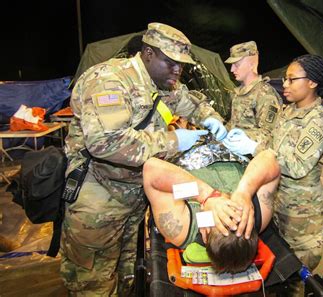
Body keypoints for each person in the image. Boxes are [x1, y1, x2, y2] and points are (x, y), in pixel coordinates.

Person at [60, 23, 227, 296]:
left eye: (181, 64)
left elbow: (190, 102)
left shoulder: (162, 83)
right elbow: (106, 143)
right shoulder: (109, 80)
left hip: (133, 193)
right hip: (99, 195)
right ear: (148, 53)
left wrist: (212, 119)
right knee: (92, 280)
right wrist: (175, 141)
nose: (177, 71)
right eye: (171, 62)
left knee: (128, 271)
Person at [224, 54, 323, 273]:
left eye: (291, 79)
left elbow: (297, 165)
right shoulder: (288, 111)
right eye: (285, 79)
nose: (285, 85)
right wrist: (248, 139)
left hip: (300, 215)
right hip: (276, 201)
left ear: (312, 82)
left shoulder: (319, 121)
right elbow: (272, 142)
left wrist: (253, 148)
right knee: (275, 265)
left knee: (296, 272)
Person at [143, 149, 280, 273]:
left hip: (191, 152)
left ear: (205, 233)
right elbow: (269, 157)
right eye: (237, 214)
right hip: (229, 147)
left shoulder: (182, 228)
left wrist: (205, 195)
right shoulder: (258, 216)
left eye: (223, 217)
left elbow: (151, 170)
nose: (229, 210)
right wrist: (244, 192)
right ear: (249, 223)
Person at [223, 41, 282, 153]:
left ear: (251, 64)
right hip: (234, 152)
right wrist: (223, 131)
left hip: (253, 158)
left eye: (236, 64)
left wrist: (242, 138)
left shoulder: (265, 94)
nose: (232, 69)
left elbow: (269, 134)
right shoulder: (238, 92)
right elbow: (235, 123)